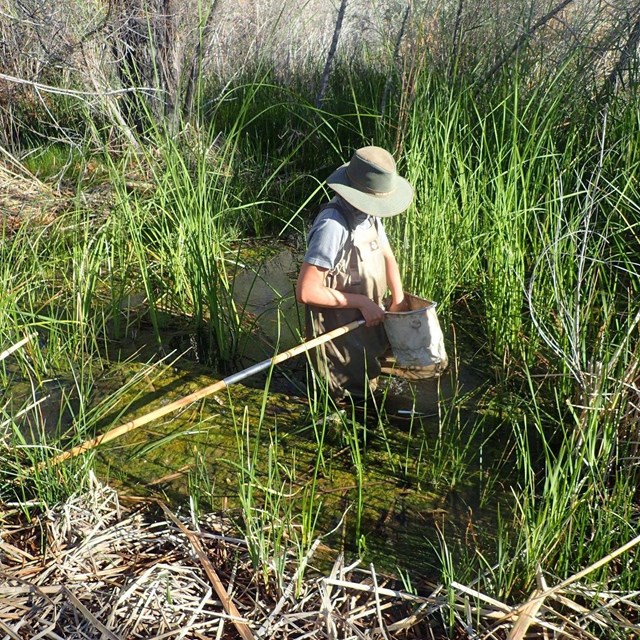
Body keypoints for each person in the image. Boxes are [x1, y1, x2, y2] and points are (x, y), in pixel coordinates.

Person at [295, 145, 413, 403]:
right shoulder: (332, 226)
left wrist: (398, 298)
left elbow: (387, 256)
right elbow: (306, 290)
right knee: (345, 398)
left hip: (366, 323)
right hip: (338, 332)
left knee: (371, 381)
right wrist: (362, 302)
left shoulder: (371, 216)